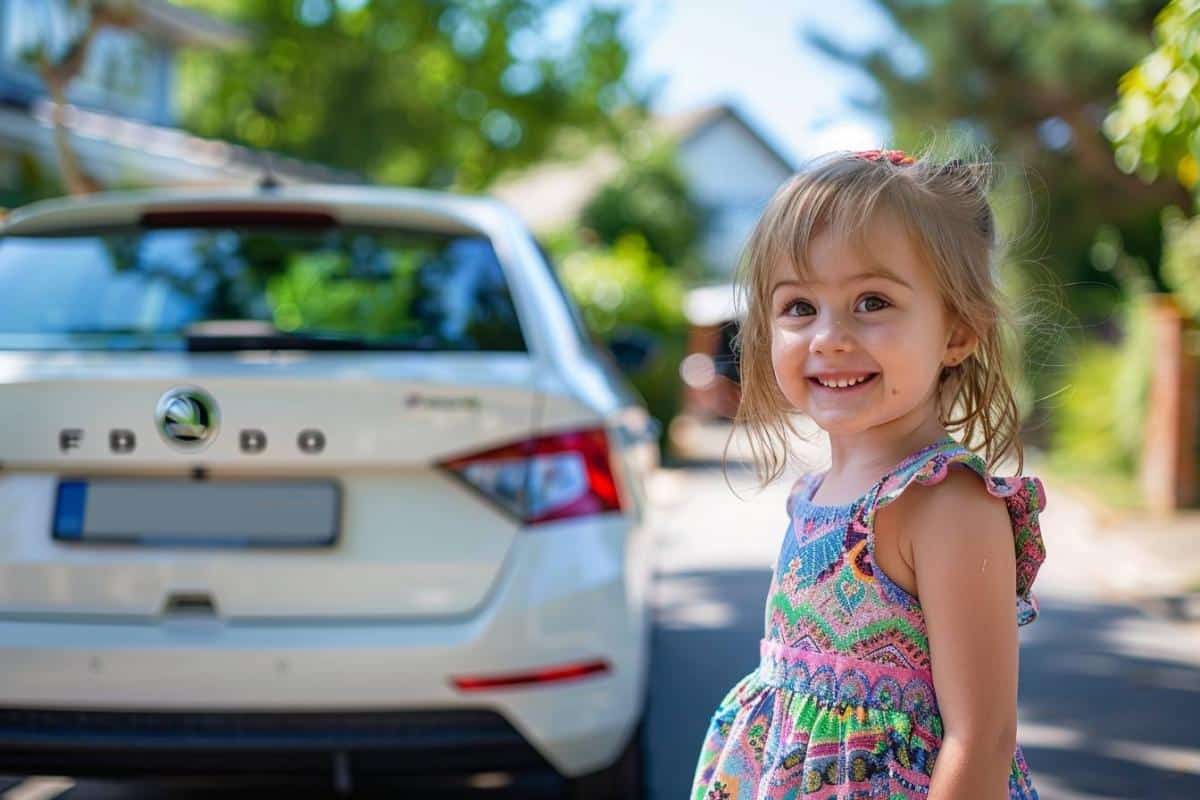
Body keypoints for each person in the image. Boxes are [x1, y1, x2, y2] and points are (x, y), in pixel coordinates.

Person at [691, 149, 1047, 800]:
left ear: (958, 331)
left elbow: (981, 739)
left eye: (872, 301)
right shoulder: (813, 496)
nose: (828, 336)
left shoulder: (946, 502)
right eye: (799, 307)